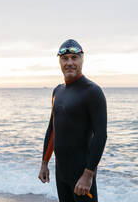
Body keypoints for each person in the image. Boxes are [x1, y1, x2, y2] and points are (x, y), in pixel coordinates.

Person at [38, 39, 107, 202]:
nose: (69, 63)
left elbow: (100, 136)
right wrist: (44, 163)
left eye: (74, 58)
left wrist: (88, 175)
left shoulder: (93, 91)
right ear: (59, 61)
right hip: (61, 173)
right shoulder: (57, 91)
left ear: (82, 59)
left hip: (81, 174)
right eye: (65, 58)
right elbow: (52, 129)